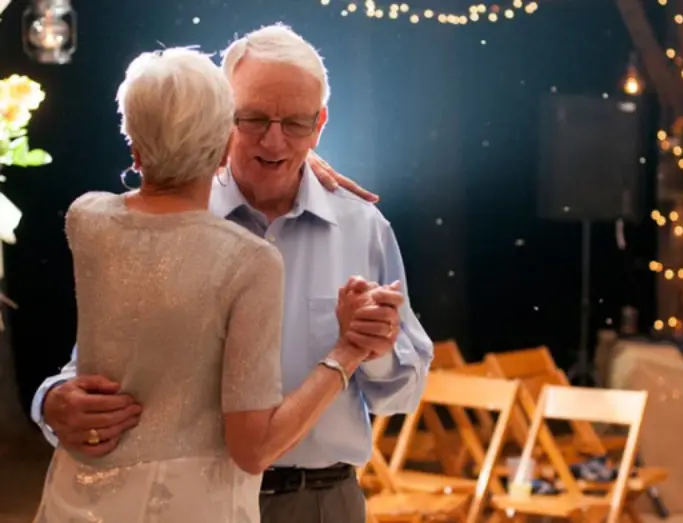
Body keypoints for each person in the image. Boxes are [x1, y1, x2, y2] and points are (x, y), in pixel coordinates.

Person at [32, 24, 433, 523]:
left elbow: (404, 393)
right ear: (223, 121)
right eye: (254, 118)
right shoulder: (148, 224)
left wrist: (375, 349)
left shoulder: (361, 225)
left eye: (296, 124)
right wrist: (51, 401)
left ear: (321, 124)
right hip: (187, 507)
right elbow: (102, 362)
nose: (273, 139)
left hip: (319, 501)